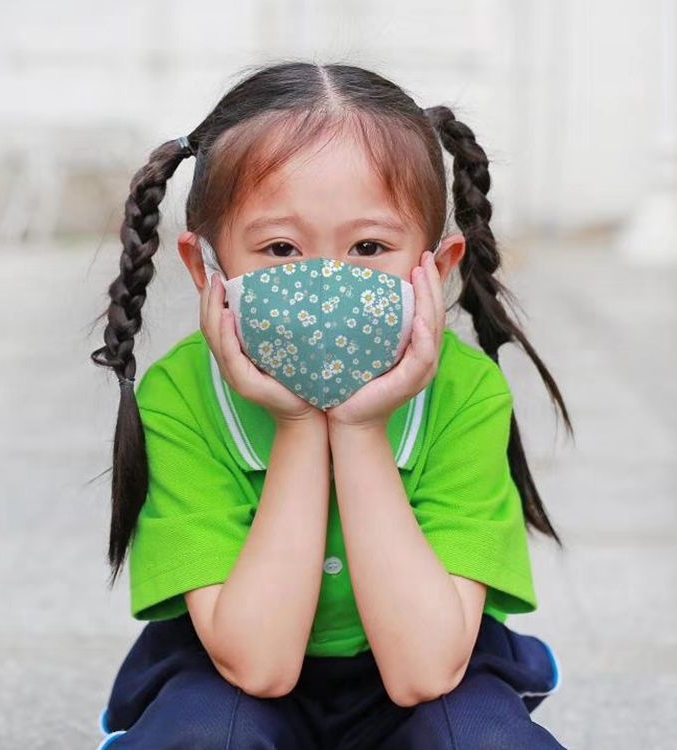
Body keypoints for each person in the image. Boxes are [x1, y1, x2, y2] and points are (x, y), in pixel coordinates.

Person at [89, 61, 573, 749]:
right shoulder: (179, 396)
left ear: (434, 270)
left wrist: (360, 426)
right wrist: (294, 426)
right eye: (281, 249)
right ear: (207, 270)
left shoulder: (465, 392)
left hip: (422, 667)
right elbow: (256, 664)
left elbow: (425, 671)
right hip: (234, 673)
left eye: (369, 247)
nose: (324, 284)